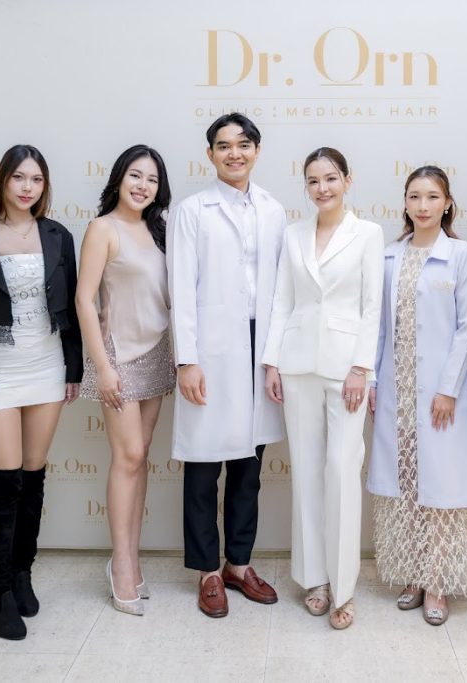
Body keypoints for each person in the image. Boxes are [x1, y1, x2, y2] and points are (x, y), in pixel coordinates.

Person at [0, 144, 83, 640]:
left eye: (36, 179)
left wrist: (73, 368)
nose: (28, 187)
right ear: (2, 181)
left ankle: (23, 572)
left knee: (33, 476)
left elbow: (72, 307)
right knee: (4, 481)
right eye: (19, 178)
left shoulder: (57, 235)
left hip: (47, 365)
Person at [168, 113, 286, 618]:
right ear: (210, 154)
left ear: (257, 151)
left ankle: (239, 564)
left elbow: (282, 291)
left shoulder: (274, 210)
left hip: (259, 345)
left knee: (248, 467)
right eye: (223, 145)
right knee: (202, 466)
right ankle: (207, 572)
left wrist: (274, 357)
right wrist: (187, 360)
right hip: (211, 348)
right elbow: (181, 288)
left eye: (243, 144)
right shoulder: (192, 210)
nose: (234, 153)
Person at [263, 147, 384, 630]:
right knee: (308, 472)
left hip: (346, 368)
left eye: (330, 178)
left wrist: (361, 368)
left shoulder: (367, 234)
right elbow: (282, 301)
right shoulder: (293, 234)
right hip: (296, 365)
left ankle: (344, 587)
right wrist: (272, 362)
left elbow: (372, 307)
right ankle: (314, 579)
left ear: (347, 180)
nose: (322, 188)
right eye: (313, 181)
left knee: (341, 470)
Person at [366, 166, 467, 627]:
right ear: (404, 202)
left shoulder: (458, 254)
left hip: (441, 395)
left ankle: (437, 582)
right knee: (406, 489)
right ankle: (412, 577)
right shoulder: (389, 255)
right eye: (414, 196)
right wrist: (373, 381)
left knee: (440, 489)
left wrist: (447, 389)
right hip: (396, 393)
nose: (423, 206)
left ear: (447, 203)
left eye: (433, 196)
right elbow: (379, 327)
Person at [75, 145, 176, 616]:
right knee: (128, 456)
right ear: (119, 178)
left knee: (141, 457)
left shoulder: (160, 230)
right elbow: (84, 299)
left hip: (156, 351)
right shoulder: (103, 228)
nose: (143, 185)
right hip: (118, 354)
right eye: (136, 175)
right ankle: (119, 564)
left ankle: (132, 562)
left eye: (152, 179)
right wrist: (102, 366)